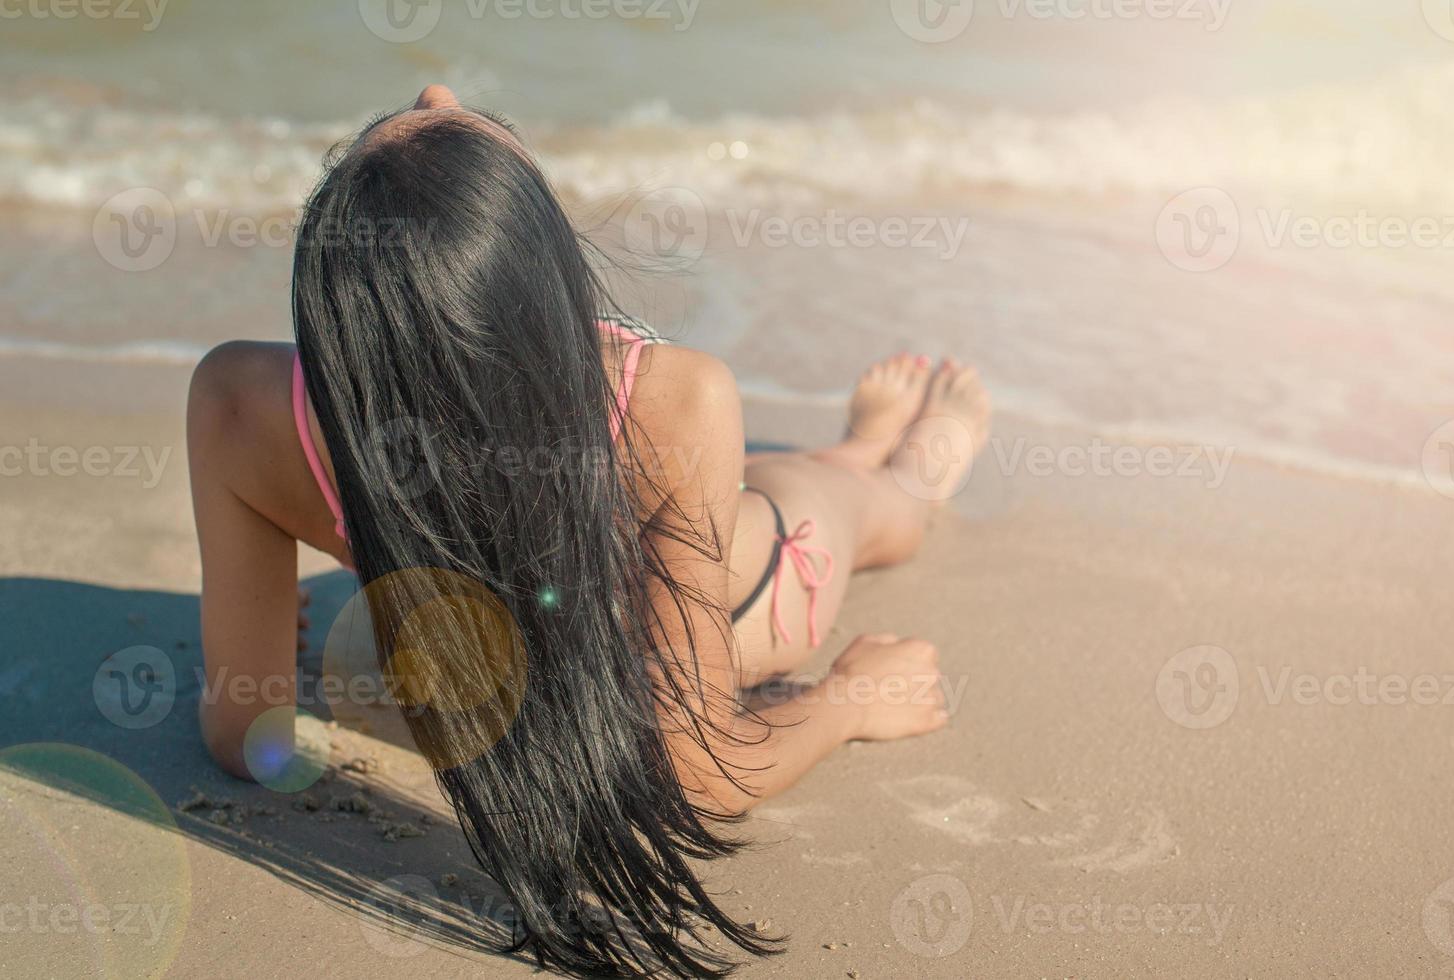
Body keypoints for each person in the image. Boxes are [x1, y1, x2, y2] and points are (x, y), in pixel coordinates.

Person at [186, 84, 990, 977]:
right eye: (444, 123)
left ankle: (863, 445)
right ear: (530, 273)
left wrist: (254, 638)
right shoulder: (671, 395)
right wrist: (847, 701)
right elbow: (701, 772)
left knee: (728, 484)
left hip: (515, 600)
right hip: (754, 597)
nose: (437, 89)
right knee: (830, 498)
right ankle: (897, 460)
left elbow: (243, 735)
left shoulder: (239, 401)